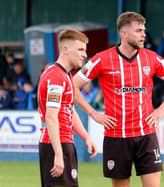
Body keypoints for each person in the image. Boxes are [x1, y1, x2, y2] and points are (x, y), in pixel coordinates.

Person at [73, 11, 164, 187]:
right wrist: (93, 113)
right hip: (116, 136)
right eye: (139, 30)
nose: (144, 34)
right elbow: (73, 85)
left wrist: (162, 109)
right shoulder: (102, 59)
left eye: (144, 30)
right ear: (123, 33)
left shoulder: (151, 57)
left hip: (146, 135)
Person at [37, 29, 97, 187]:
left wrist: (86, 137)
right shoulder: (55, 77)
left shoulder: (65, 76)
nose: (84, 54)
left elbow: (70, 110)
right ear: (65, 49)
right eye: (80, 49)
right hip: (56, 145)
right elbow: (51, 117)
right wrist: (58, 154)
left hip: (64, 144)